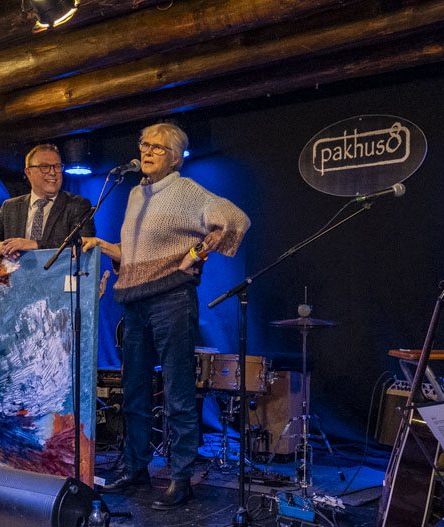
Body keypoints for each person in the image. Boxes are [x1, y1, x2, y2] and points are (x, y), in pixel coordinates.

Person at [83, 123, 250, 509]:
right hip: (134, 301)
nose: (148, 151)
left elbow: (235, 220)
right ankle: (135, 467)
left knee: (177, 392)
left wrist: (197, 253)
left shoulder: (187, 191)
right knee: (134, 394)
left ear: (176, 157)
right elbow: (135, 256)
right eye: (144, 144)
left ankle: (180, 477)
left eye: (158, 147)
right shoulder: (135, 195)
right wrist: (103, 246)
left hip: (172, 300)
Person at [0, 143, 96, 258]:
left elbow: (83, 243)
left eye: (57, 167)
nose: (52, 172)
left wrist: (35, 245)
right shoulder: (11, 207)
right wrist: (0, 247)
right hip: (18, 279)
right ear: (28, 172)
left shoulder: (77, 205)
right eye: (45, 167)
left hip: (58, 279)